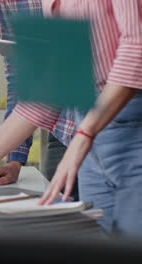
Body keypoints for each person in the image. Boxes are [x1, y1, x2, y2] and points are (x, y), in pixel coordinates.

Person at [34, 0, 142, 238]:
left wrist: (85, 134)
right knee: (99, 249)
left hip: (127, 118)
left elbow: (137, 47)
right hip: (87, 122)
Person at [0, 0, 78, 201]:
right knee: (61, 221)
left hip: (114, 128)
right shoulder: (5, 2)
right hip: (63, 130)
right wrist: (14, 159)